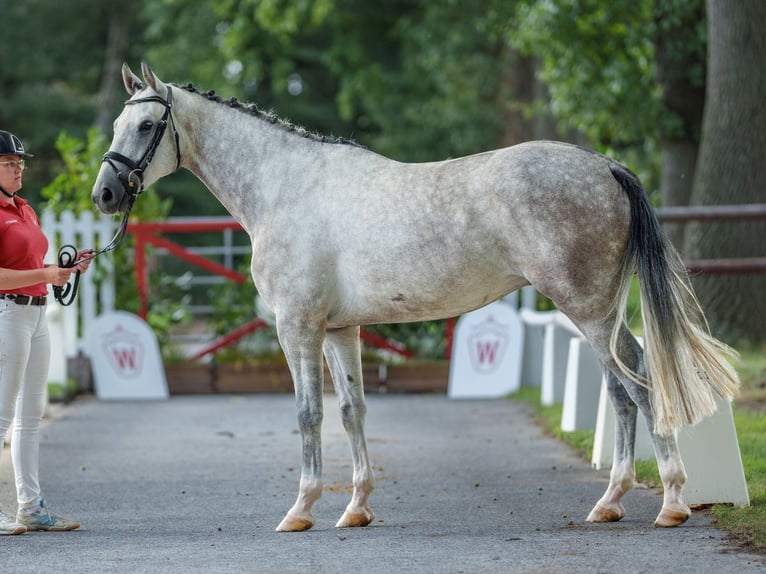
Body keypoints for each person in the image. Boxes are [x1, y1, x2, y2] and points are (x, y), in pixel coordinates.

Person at [0, 130, 92, 535]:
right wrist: (44, 273)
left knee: (30, 416)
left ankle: (30, 506)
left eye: (20, 162)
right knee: (2, 414)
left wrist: (64, 271)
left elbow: (32, 266)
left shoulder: (25, 209)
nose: (19, 168)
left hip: (36, 313)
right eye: (9, 163)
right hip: (8, 313)